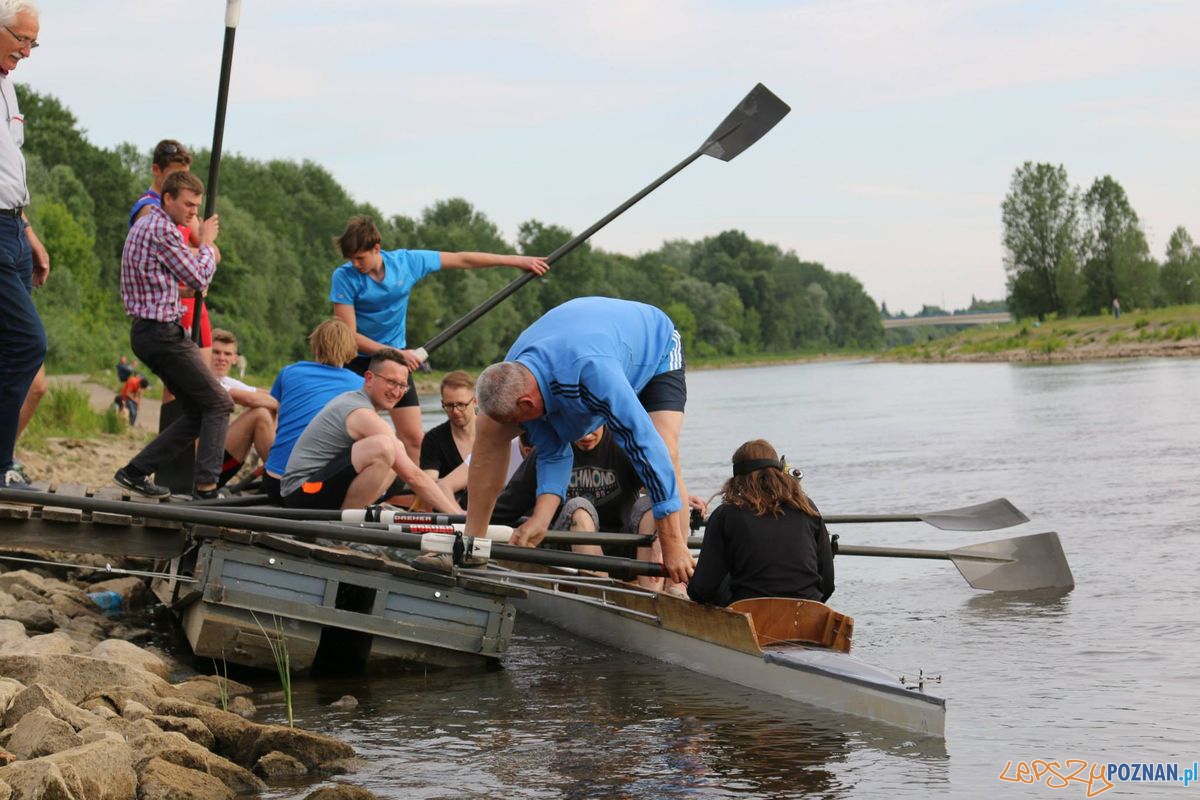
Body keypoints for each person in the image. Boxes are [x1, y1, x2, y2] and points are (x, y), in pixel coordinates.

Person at [465, 297, 695, 584]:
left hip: (655, 346)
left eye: (518, 422)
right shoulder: (516, 372)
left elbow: (647, 449)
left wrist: (670, 540)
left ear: (526, 403)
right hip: (588, 339)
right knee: (488, 428)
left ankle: (676, 575)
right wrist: (540, 518)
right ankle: (471, 544)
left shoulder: (594, 376)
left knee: (665, 446)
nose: (520, 431)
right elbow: (553, 451)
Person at [329, 214, 548, 461]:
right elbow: (348, 335)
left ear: (376, 248)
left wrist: (516, 261)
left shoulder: (406, 262)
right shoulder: (344, 277)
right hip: (356, 362)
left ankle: (424, 495)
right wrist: (395, 354)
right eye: (351, 259)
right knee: (353, 433)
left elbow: (462, 259)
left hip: (397, 362)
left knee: (413, 438)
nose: (355, 264)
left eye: (360, 257)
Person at [113, 170, 229, 500]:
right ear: (168, 199)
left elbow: (164, 284)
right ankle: (207, 490)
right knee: (219, 404)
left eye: (197, 207)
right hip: (161, 334)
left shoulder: (149, 227)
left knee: (198, 410)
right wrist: (205, 242)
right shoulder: (162, 229)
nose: (194, 212)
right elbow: (198, 272)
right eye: (189, 205)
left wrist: (187, 288)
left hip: (153, 332)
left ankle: (134, 472)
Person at [280, 348, 463, 512]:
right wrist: (457, 516)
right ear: (369, 378)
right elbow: (414, 476)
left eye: (402, 386)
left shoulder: (357, 401)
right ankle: (344, 531)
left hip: (319, 486)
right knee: (384, 447)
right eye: (391, 382)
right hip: (302, 492)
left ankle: (357, 513)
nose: (397, 392)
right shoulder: (360, 413)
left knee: (395, 453)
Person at [688, 440, 834, 606]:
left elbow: (701, 591)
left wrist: (688, 581)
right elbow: (827, 585)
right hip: (809, 614)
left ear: (737, 479)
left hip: (750, 616)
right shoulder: (807, 508)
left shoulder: (725, 515)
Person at [0, 0, 49, 490]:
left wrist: (29, 230)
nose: (28, 51)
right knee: (28, 342)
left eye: (33, 42)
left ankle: (4, 461)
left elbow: (10, 169)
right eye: (21, 39)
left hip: (14, 227)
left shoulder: (9, 88)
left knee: (12, 350)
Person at [262, 319, 364, 503]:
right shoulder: (360, 386)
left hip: (273, 481)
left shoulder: (289, 372)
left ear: (315, 345)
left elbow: (279, 420)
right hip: (309, 490)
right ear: (351, 350)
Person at [209, 328, 278, 488]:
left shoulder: (225, 380)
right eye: (216, 352)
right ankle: (281, 477)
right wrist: (286, 406)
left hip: (220, 456)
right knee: (260, 413)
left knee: (266, 408)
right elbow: (248, 399)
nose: (221, 358)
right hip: (202, 464)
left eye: (227, 354)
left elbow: (264, 393)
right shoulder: (206, 380)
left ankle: (279, 473)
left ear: (235, 358)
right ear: (206, 353)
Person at [420, 370, 476, 503]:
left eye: (461, 405)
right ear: (442, 403)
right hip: (450, 508)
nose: (455, 412)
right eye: (449, 405)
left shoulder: (494, 434)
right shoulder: (433, 439)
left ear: (475, 402)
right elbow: (430, 484)